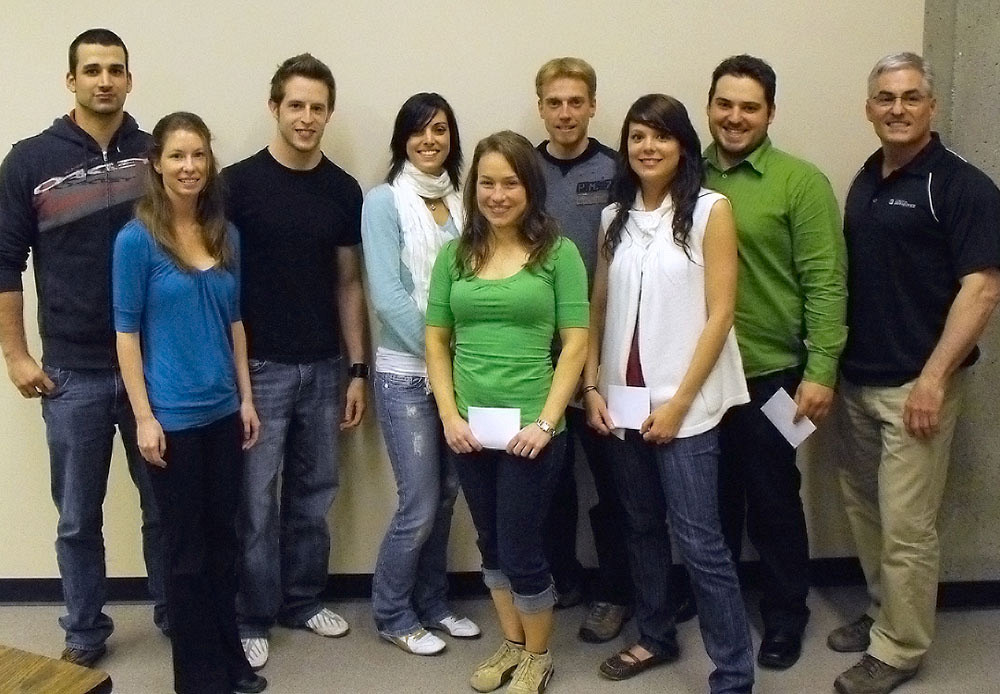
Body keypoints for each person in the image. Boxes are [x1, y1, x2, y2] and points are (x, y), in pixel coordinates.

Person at [830, 52, 1000, 694]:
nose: (896, 109)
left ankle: (899, 649)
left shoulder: (963, 186)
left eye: (909, 97)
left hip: (917, 386)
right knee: (867, 509)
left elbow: (982, 289)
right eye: (884, 98)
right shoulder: (867, 177)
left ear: (930, 106)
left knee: (907, 524)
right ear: (868, 106)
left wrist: (933, 378)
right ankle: (883, 615)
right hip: (858, 378)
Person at [0, 28, 165, 666]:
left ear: (129, 79)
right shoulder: (29, 161)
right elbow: (5, 262)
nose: (105, 80)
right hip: (72, 372)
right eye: (91, 69)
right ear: (71, 80)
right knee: (76, 517)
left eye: (115, 69)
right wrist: (16, 355)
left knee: (164, 508)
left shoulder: (156, 157)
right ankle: (84, 633)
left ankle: (177, 614)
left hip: (153, 369)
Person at [583, 94, 754, 693]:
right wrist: (591, 388)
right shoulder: (614, 218)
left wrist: (680, 401)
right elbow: (598, 308)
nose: (647, 147)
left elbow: (721, 313)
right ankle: (654, 635)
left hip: (686, 405)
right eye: (636, 137)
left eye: (659, 136)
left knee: (702, 542)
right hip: (621, 402)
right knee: (640, 526)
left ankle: (733, 672)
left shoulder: (711, 210)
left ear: (682, 144)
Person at [425, 130, 589, 694]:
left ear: (530, 188)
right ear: (474, 188)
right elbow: (437, 341)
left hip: (534, 431)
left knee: (521, 547)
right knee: (491, 544)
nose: (498, 195)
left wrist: (546, 422)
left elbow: (575, 343)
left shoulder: (558, 253)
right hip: (470, 429)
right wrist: (449, 416)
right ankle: (514, 644)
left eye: (510, 183)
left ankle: (539, 655)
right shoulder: (455, 254)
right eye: (487, 183)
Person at [224, 53, 369, 671]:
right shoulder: (236, 185)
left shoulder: (343, 189)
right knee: (256, 502)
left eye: (318, 108)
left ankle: (301, 601)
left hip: (325, 367)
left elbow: (348, 284)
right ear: (274, 107)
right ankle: (251, 614)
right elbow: (220, 288)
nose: (307, 118)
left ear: (328, 113)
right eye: (296, 106)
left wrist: (356, 369)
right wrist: (237, 383)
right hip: (260, 368)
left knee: (315, 494)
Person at [113, 111, 266, 694]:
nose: (189, 167)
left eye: (198, 155)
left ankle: (231, 661)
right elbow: (126, 333)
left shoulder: (226, 234)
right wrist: (144, 417)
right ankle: (198, 677)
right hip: (171, 420)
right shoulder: (136, 240)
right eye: (177, 156)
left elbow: (235, 322)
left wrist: (247, 399)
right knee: (187, 553)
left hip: (224, 414)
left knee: (224, 541)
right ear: (156, 162)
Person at [704, 54, 847, 669]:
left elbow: (826, 283)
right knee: (713, 500)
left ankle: (787, 614)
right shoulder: (686, 174)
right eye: (724, 104)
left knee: (774, 496)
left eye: (749, 107)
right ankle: (726, 608)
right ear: (709, 106)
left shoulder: (801, 181)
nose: (734, 118)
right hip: (703, 376)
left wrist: (820, 373)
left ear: (769, 113)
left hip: (779, 375)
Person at [361, 92, 480, 655]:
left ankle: (434, 606)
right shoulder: (382, 203)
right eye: (418, 131)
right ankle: (391, 612)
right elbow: (387, 297)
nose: (430, 140)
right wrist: (442, 360)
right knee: (420, 503)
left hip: (461, 376)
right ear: (401, 139)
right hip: (407, 375)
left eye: (440, 130)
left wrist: (462, 365)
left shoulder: (463, 202)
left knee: (451, 495)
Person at [533, 56, 634, 641]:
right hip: (539, 355)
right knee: (549, 478)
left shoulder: (620, 169)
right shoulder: (523, 169)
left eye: (576, 102)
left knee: (614, 480)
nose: (565, 112)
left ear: (593, 105)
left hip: (604, 354)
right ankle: (562, 578)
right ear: (541, 106)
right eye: (554, 102)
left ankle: (614, 591)